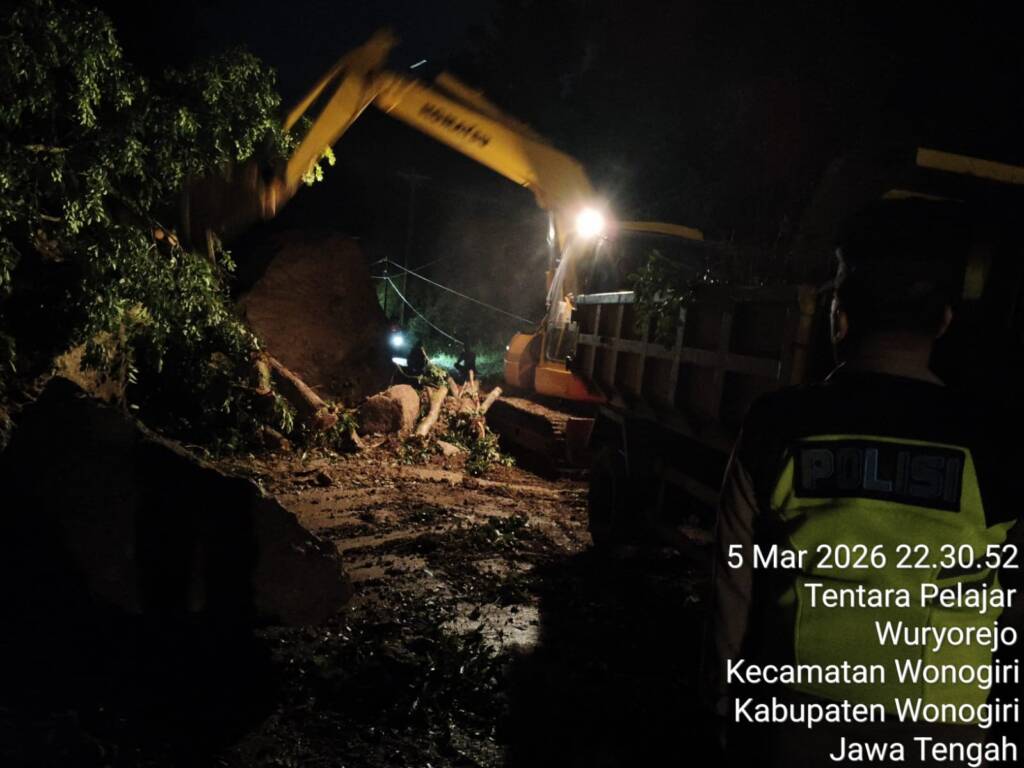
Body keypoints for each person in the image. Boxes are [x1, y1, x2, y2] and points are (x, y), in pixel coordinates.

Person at [712, 199, 1019, 766]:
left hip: (799, 728)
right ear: (943, 320)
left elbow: (734, 591)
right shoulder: (998, 444)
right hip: (945, 735)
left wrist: (732, 713)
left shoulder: (778, 425)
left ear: (840, 317)